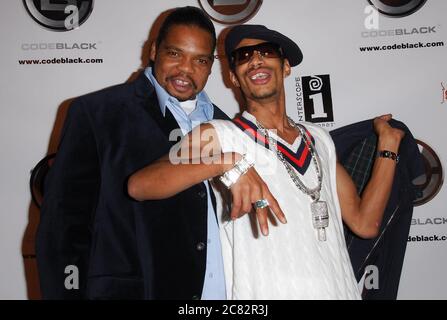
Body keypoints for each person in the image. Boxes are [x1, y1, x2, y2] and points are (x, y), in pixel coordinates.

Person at [128, 24, 405, 299]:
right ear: (233, 78)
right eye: (243, 57)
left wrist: (388, 146)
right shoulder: (221, 135)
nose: (256, 60)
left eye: (266, 51)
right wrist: (229, 165)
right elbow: (141, 185)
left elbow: (365, 223)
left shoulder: (318, 139)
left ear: (286, 67)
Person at [36, 6, 240, 300]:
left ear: (211, 66)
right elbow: (62, 229)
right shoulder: (98, 114)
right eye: (175, 54)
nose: (186, 69)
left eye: (200, 60)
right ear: (155, 50)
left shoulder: (228, 128)